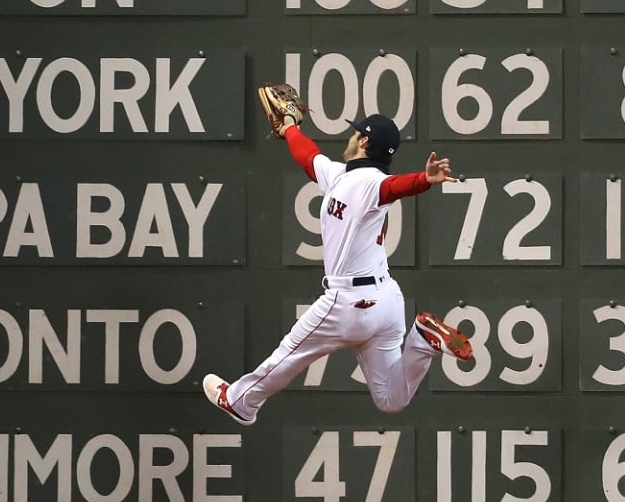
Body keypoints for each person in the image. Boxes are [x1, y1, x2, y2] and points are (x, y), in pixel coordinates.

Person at [203, 108, 474, 426]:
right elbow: (309, 156)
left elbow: (392, 188)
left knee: (290, 353)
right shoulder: (342, 176)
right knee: (390, 399)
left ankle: (239, 401)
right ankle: (422, 340)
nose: (350, 135)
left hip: (348, 302)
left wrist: (423, 181)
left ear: (363, 140)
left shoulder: (370, 183)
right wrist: (290, 129)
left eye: (355, 132)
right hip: (385, 300)